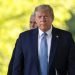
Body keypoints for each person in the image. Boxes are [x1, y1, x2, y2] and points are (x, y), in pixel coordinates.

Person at [7, 4, 75, 75]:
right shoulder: (24, 38)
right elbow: (16, 67)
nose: (42, 19)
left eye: (45, 16)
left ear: (52, 18)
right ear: (36, 19)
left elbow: (73, 66)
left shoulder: (65, 37)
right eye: (39, 17)